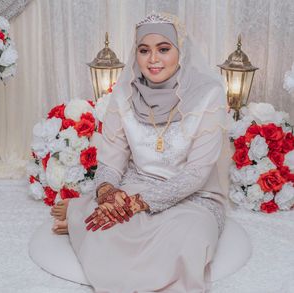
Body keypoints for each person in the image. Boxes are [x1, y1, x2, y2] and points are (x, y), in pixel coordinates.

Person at [50, 12, 229, 293]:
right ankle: (82, 217)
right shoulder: (123, 95)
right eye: (144, 50)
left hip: (195, 198)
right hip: (136, 183)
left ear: (180, 51)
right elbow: (111, 161)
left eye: (164, 49)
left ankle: (77, 217)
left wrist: (135, 204)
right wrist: (109, 193)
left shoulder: (209, 94)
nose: (153, 59)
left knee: (187, 240)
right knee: (105, 232)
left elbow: (196, 174)